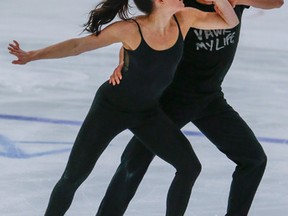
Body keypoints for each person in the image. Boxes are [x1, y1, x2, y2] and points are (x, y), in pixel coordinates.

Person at [8, 0, 239, 215]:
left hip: (146, 112)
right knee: (74, 176)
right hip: (111, 108)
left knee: (189, 167)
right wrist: (32, 55)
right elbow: (79, 45)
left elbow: (231, 21)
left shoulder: (185, 18)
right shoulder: (130, 29)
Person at [98, 0, 284, 216]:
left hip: (211, 99)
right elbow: (144, 33)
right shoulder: (180, 5)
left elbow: (276, 3)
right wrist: (124, 61)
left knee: (254, 160)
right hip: (173, 99)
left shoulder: (233, 2)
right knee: (134, 160)